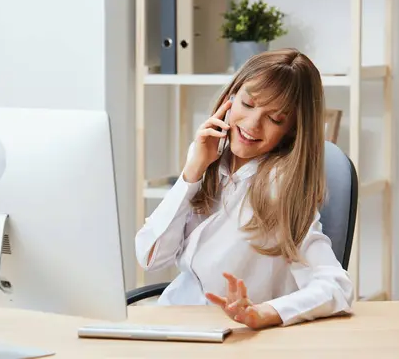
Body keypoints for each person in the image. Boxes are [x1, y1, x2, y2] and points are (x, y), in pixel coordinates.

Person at [135, 48, 354, 330]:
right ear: (231, 97)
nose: (252, 125)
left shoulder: (280, 186)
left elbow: (337, 286)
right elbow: (150, 257)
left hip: (234, 336)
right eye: (248, 104)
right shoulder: (207, 156)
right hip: (177, 319)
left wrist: (266, 312)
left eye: (275, 119)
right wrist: (192, 173)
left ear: (293, 130)